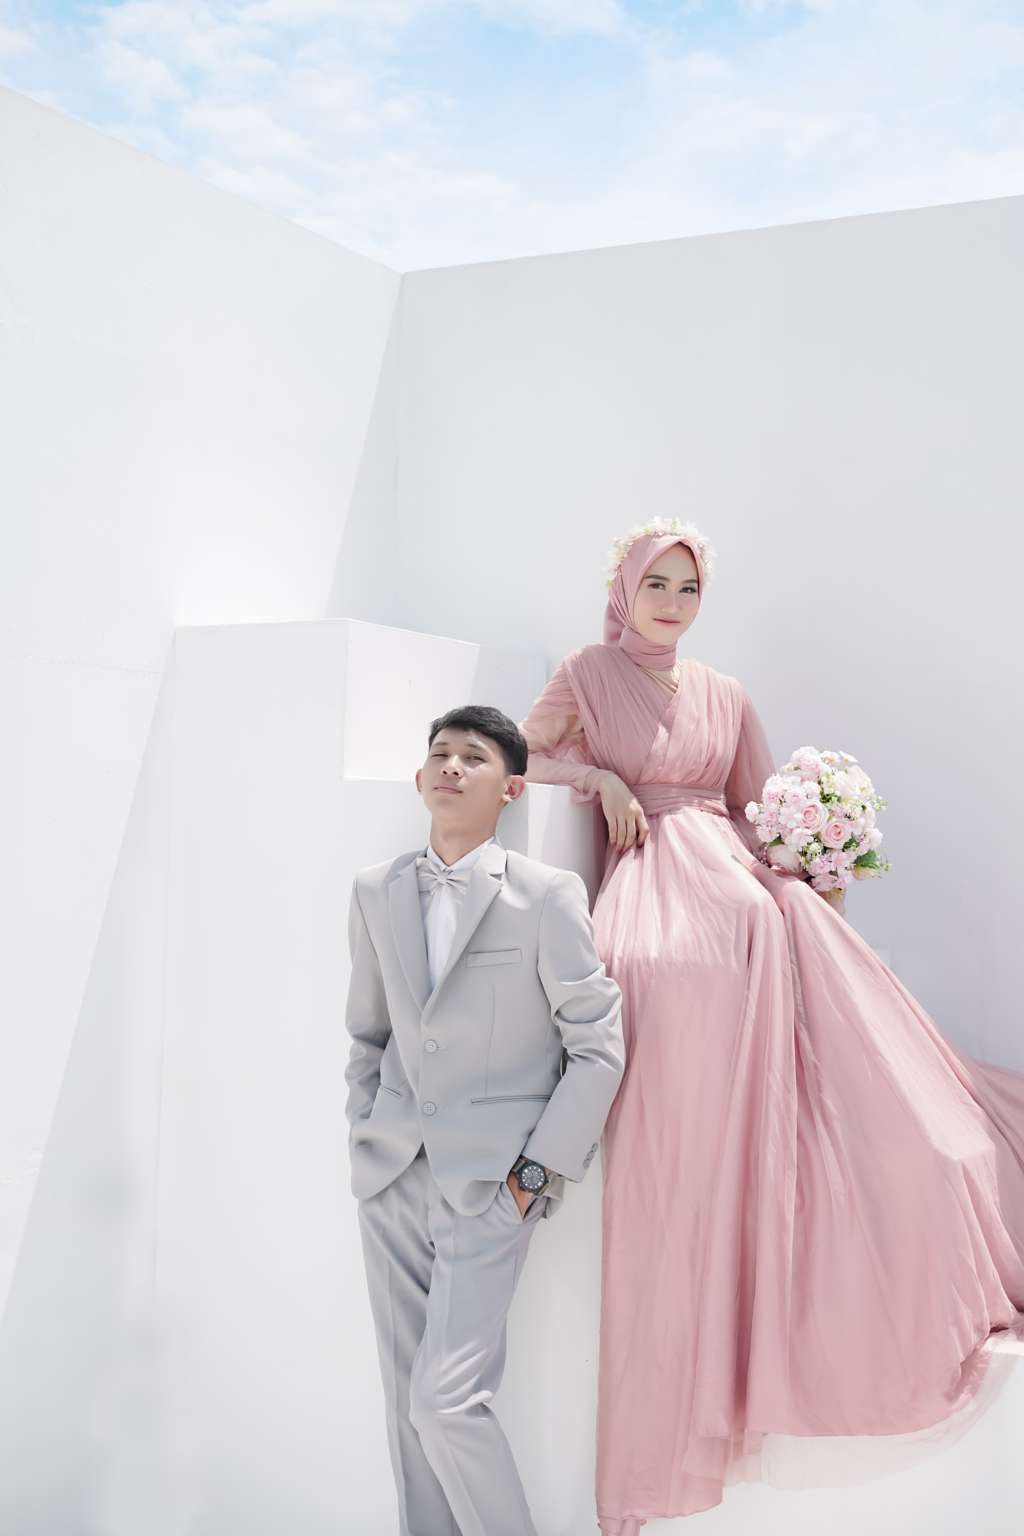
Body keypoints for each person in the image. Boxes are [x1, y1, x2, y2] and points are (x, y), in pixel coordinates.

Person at [517, 518, 1024, 1533]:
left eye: (688, 589)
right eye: (655, 584)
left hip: (734, 876)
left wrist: (812, 860)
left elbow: (751, 808)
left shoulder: (726, 692)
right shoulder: (586, 672)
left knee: (817, 966)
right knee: (675, 963)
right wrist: (599, 778)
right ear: (622, 588)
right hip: (654, 876)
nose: (671, 603)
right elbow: (521, 752)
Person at [344, 703, 624, 1536]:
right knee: (405, 1411)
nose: (452, 767)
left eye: (474, 757)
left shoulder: (545, 895)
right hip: (392, 1173)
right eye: (440, 754)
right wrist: (365, 1132)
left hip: (494, 1187)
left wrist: (533, 1177)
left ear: (511, 788)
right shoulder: (375, 889)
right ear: (418, 776)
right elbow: (368, 1033)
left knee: (445, 1402)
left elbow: (597, 1046)